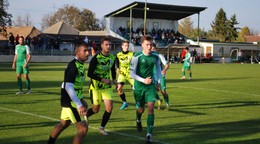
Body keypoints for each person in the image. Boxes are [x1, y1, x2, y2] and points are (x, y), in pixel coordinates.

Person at [47, 42, 90, 144]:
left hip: (72, 99)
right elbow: (68, 85)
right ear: (77, 52)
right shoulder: (73, 66)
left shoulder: (80, 65)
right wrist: (79, 105)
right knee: (83, 129)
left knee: (63, 123)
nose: (88, 53)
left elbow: (77, 85)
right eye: (85, 51)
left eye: (88, 50)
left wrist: (81, 98)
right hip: (70, 101)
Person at [130, 35, 161, 143]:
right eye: (147, 44)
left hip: (150, 87)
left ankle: (149, 135)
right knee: (141, 109)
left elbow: (158, 69)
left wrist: (158, 82)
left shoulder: (156, 56)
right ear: (142, 45)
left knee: (151, 109)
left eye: (151, 44)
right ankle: (138, 119)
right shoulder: (137, 56)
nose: (149, 47)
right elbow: (131, 73)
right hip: (139, 87)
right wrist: (143, 80)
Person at [86, 37, 117, 136]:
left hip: (106, 87)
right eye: (106, 45)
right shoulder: (96, 58)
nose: (109, 46)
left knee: (109, 108)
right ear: (102, 46)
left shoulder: (112, 57)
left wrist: (115, 80)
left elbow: (112, 69)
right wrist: (102, 80)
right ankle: (85, 115)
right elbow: (89, 73)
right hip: (95, 87)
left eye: (110, 45)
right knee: (96, 109)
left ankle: (102, 128)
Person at [115, 40, 134, 110]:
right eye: (125, 46)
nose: (126, 47)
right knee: (119, 88)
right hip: (122, 74)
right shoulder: (118, 54)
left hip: (131, 74)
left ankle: (139, 103)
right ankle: (124, 102)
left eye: (127, 46)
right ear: (122, 46)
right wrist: (117, 68)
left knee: (136, 90)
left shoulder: (131, 54)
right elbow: (116, 61)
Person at [151, 45, 170, 111]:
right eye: (151, 49)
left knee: (163, 91)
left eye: (154, 49)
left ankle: (167, 105)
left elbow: (167, 65)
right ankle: (159, 100)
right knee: (152, 91)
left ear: (156, 49)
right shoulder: (149, 56)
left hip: (161, 76)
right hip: (153, 76)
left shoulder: (159, 55)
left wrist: (164, 70)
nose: (152, 50)